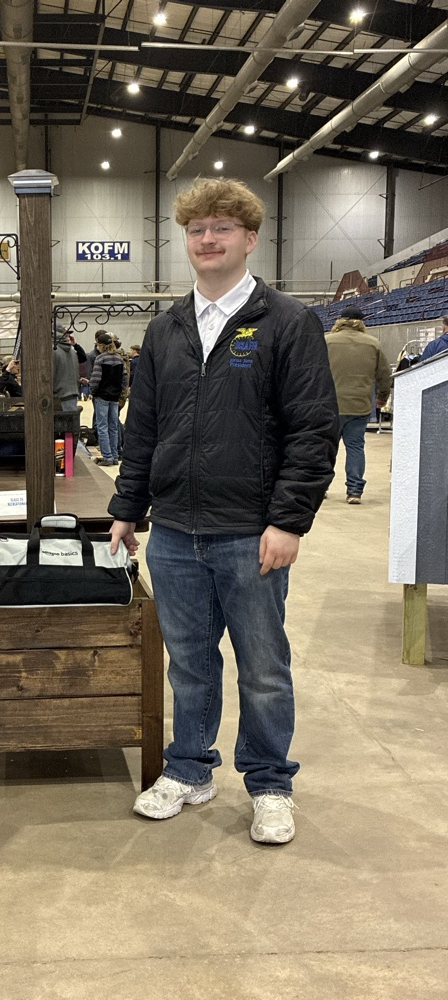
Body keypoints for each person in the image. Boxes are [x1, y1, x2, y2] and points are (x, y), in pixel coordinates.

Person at [107, 177, 338, 844]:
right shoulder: (165, 329)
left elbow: (313, 431)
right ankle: (189, 770)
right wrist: (128, 506)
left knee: (263, 669)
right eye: (197, 229)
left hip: (251, 535)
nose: (208, 239)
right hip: (175, 533)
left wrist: (289, 520)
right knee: (189, 664)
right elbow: (143, 426)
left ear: (250, 238)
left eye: (222, 228)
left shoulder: (288, 323)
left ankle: (269, 783)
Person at [325, 306, 392, 505]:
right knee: (355, 447)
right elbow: (384, 375)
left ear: (339, 321)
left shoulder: (326, 341)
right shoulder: (373, 344)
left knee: (327, 449)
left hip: (329, 405)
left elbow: (312, 372)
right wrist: (382, 397)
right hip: (359, 405)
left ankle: (321, 487)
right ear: (361, 323)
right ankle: (354, 491)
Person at [89, 337, 127, 466]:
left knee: (102, 427)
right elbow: (124, 378)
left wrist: (92, 391)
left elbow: (95, 379)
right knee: (113, 427)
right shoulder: (119, 358)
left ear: (101, 346)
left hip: (102, 396)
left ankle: (107, 457)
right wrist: (120, 392)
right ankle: (115, 456)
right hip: (115, 397)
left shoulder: (100, 358)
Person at [52, 325, 81, 412]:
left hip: (59, 396)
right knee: (70, 423)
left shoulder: (53, 351)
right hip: (72, 393)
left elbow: (50, 374)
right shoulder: (72, 351)